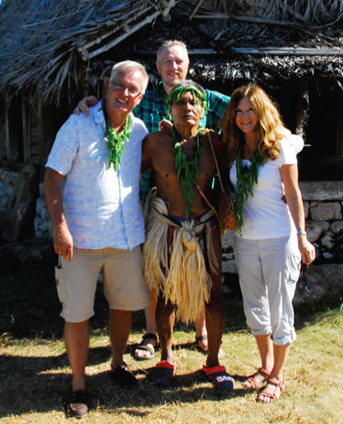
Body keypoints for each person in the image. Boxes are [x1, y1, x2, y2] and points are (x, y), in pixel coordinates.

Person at [74, 40, 229, 359]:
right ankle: (151, 334)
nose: (174, 67)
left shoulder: (205, 98)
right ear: (157, 67)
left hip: (198, 207)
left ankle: (201, 332)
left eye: (180, 62)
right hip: (152, 199)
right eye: (167, 62)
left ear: (188, 66)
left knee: (201, 270)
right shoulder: (143, 99)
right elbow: (114, 111)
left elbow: (245, 109)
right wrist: (89, 103)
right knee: (156, 271)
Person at [43, 61, 151, 418]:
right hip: (81, 239)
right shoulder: (78, 124)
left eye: (133, 89)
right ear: (107, 86)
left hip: (126, 237)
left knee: (123, 306)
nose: (124, 93)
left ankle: (117, 364)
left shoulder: (139, 131)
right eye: (119, 85)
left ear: (141, 96)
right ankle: (77, 383)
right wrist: (60, 228)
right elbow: (52, 177)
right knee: (77, 313)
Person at [220, 84, 316, 403]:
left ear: (262, 112)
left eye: (251, 110)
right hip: (245, 239)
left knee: (279, 307)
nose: (245, 116)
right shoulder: (236, 148)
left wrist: (302, 237)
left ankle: (277, 377)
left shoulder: (279, 146)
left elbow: (294, 193)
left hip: (279, 238)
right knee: (254, 307)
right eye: (239, 111)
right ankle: (265, 366)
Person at [141, 80, 234, 389]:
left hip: (206, 230)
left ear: (203, 110)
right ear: (170, 109)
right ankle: (166, 358)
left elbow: (248, 153)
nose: (187, 108)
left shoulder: (214, 144)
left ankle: (213, 363)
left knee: (214, 295)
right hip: (168, 229)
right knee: (167, 296)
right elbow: (125, 170)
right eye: (181, 103)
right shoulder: (155, 143)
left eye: (194, 103)